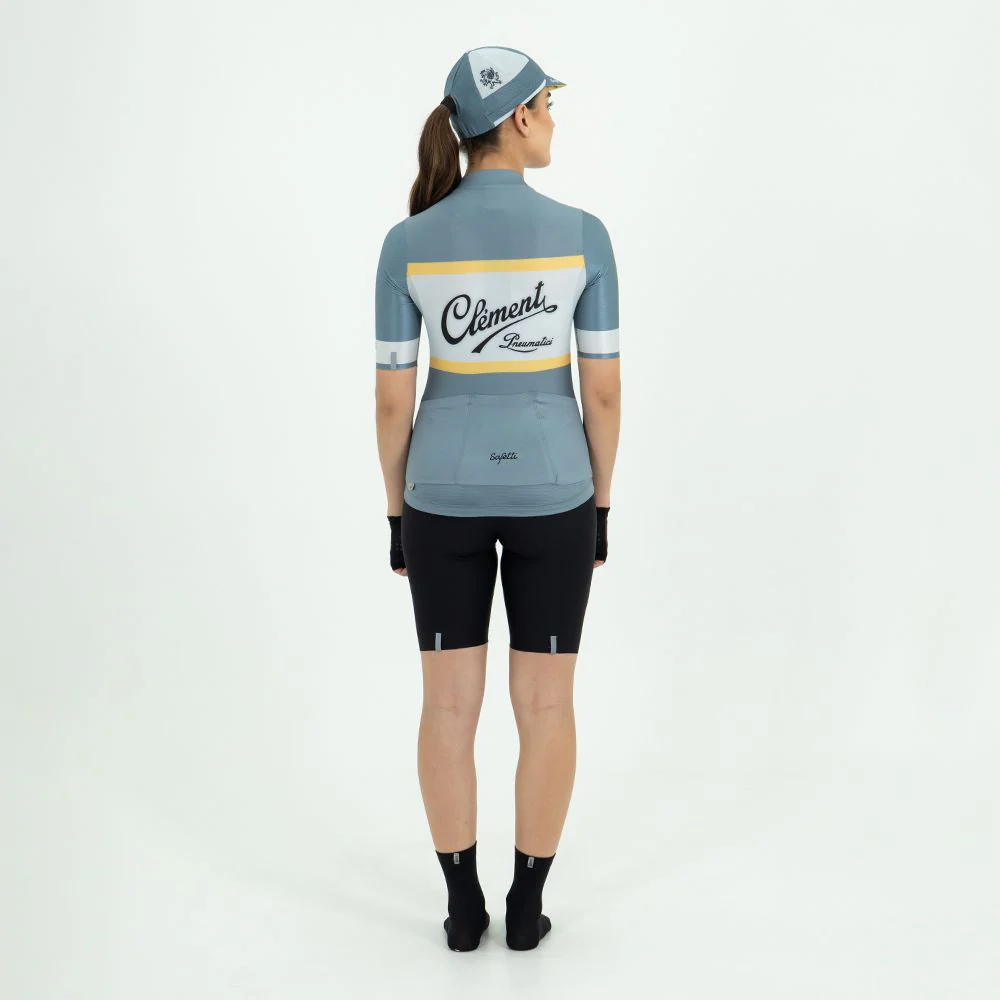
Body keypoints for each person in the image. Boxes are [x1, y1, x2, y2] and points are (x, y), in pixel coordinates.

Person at [373, 45, 620, 952]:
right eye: (547, 105)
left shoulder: (407, 244)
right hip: (556, 490)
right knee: (546, 705)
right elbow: (602, 394)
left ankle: (460, 905)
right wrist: (601, 506)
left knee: (447, 706)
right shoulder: (584, 234)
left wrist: (397, 514)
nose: (551, 120)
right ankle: (526, 904)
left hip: (440, 493)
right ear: (517, 118)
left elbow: (392, 401)